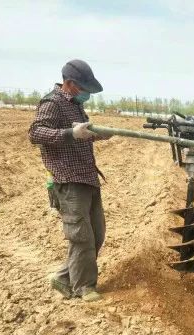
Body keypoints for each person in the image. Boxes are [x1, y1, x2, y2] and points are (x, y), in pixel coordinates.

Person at [28, 59, 112, 302]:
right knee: (81, 235)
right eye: (83, 87)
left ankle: (64, 277)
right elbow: (36, 133)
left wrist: (96, 135)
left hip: (87, 176)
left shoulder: (75, 105)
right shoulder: (51, 103)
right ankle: (84, 287)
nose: (86, 93)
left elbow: (81, 136)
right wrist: (69, 133)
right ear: (69, 83)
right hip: (68, 179)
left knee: (96, 233)